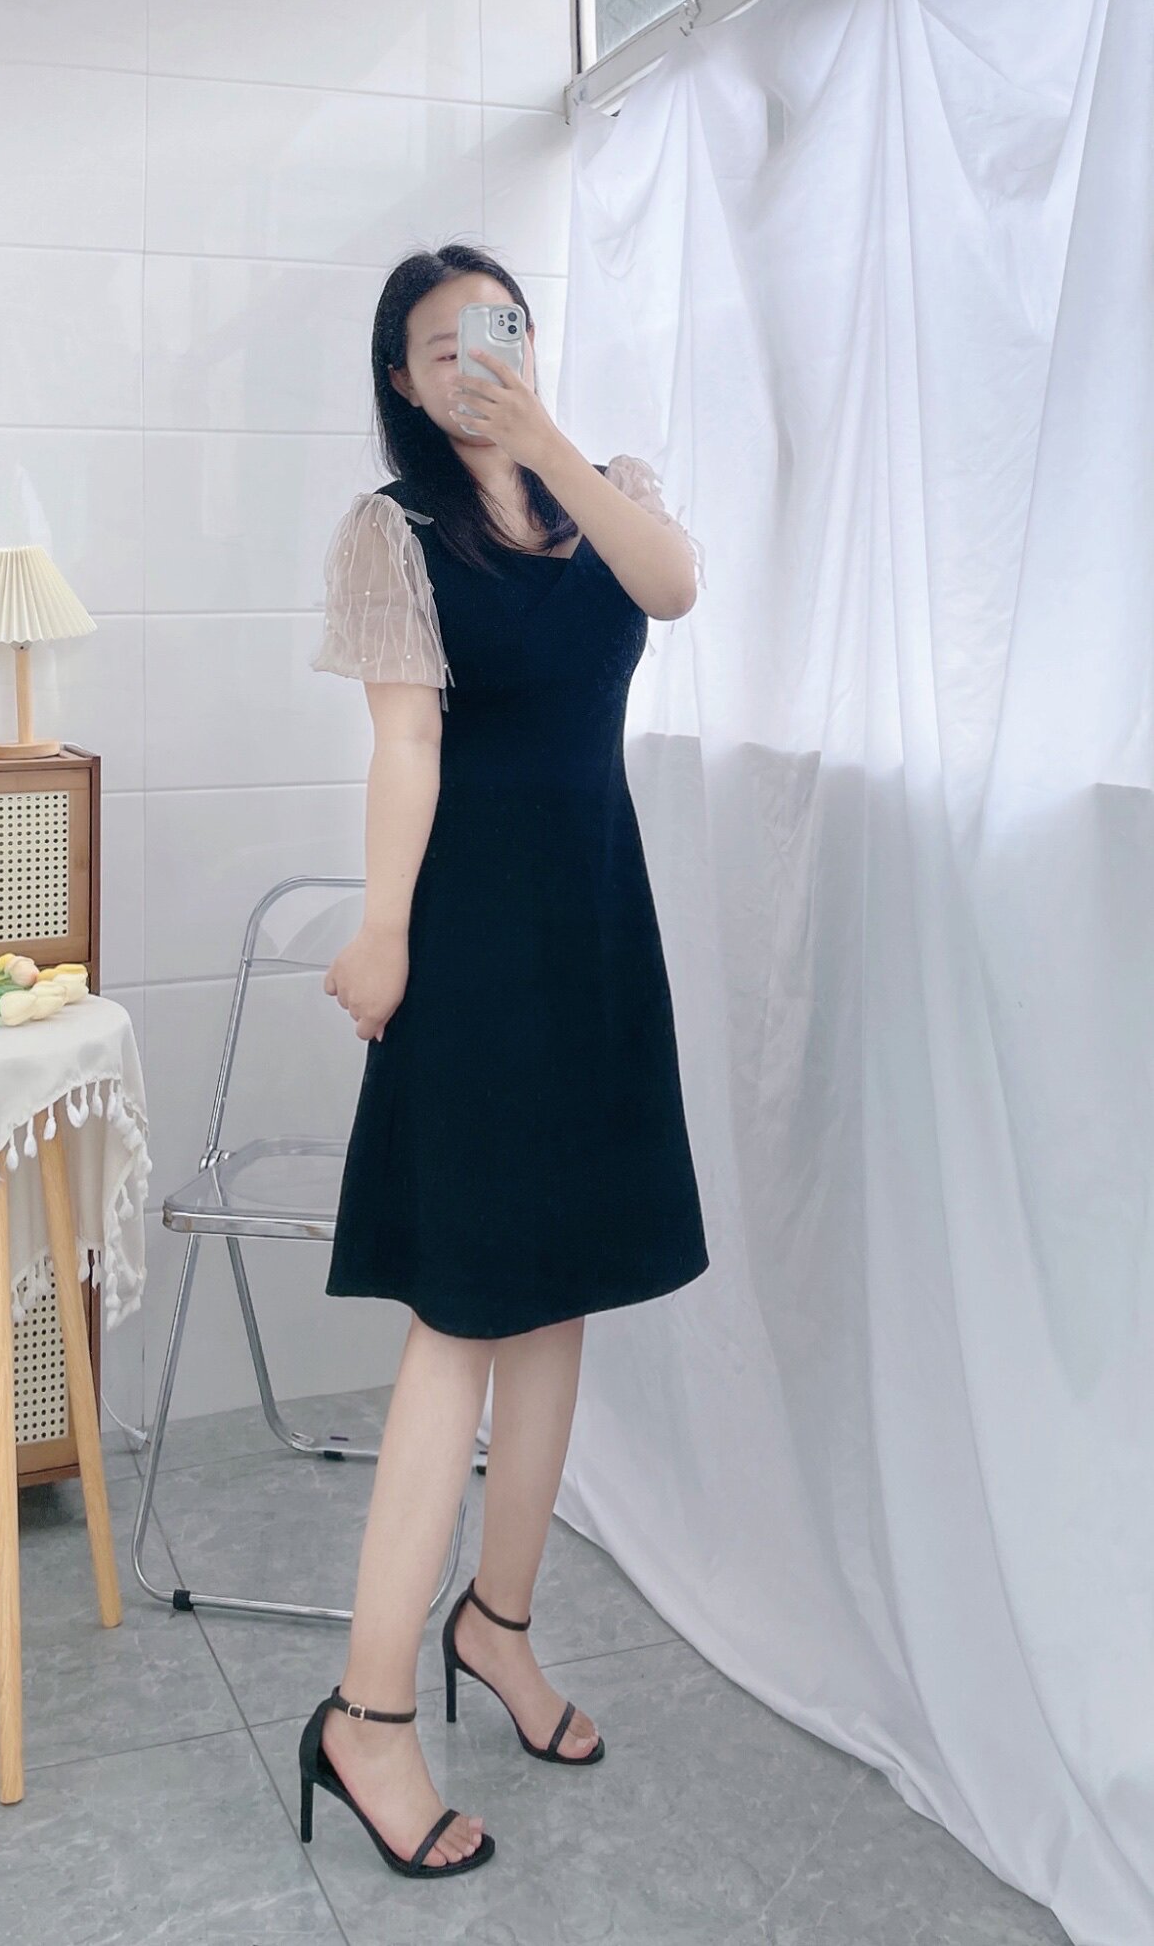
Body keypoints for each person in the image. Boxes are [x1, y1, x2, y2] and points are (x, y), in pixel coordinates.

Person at [297, 242, 709, 1879]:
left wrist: (549, 443)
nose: (482, 354)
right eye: (446, 342)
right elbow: (407, 741)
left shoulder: (605, 491)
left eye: (506, 325)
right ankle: (368, 1714)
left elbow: (672, 588)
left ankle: (500, 1626)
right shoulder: (392, 532)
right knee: (460, 1322)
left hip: (595, 927)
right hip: (471, 946)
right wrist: (382, 927)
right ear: (404, 379)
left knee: (559, 1303)